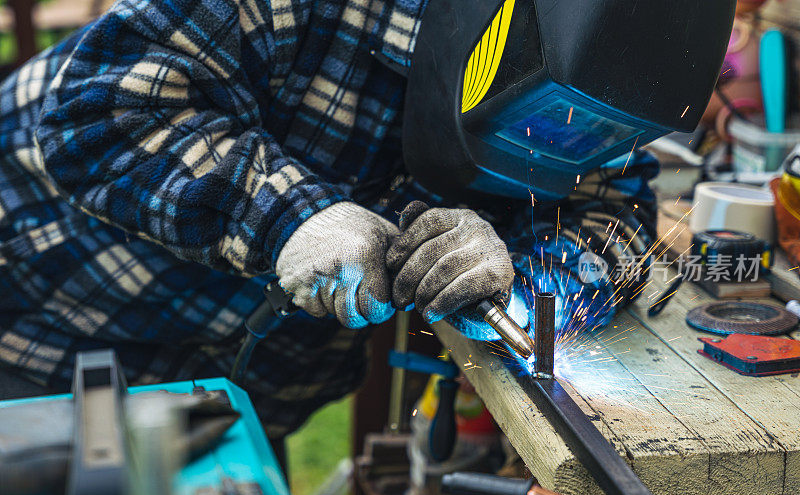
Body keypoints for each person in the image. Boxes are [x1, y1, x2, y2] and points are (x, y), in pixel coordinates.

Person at [0, 0, 654, 438]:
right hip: (48, 326)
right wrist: (290, 218)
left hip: (240, 391)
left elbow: (618, 210)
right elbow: (105, 112)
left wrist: (530, 280)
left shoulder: (612, 73)